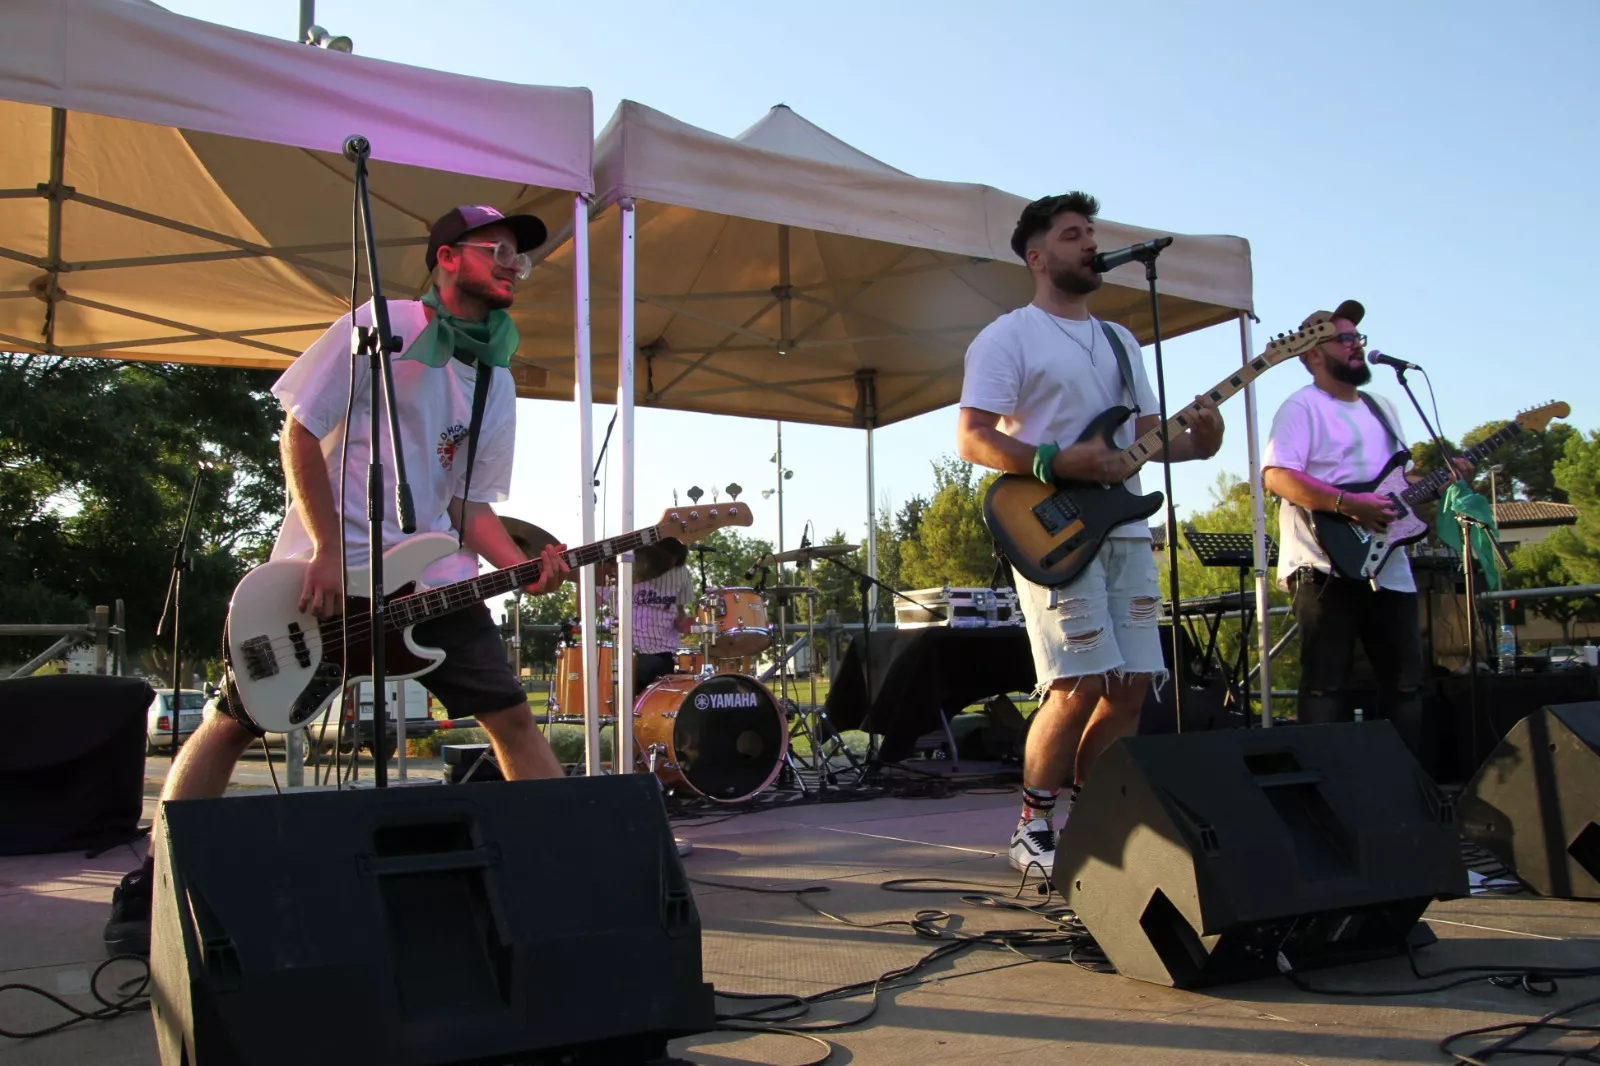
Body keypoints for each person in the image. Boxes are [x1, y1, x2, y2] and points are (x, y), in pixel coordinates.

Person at [104, 205, 571, 956]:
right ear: (447, 257)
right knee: (235, 719)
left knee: (514, 717)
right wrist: (323, 547)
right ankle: (160, 879)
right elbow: (297, 425)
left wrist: (516, 564)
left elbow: (467, 505)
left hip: (432, 581)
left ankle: (566, 875)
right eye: (498, 250)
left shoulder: (497, 376)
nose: (515, 263)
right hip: (331, 571)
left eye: (521, 256)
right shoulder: (379, 322)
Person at [955, 192, 1224, 874]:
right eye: (1074, 235)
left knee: (1132, 682)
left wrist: (1198, 445)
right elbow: (972, 437)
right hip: (1054, 527)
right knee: (1077, 683)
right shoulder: (1009, 335)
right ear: (1037, 257)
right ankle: (1031, 824)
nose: (1090, 244)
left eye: (1092, 233)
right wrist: (1050, 459)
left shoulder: (1120, 340)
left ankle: (1095, 817)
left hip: (1128, 529)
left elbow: (1135, 435)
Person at [1261, 300, 1471, 757]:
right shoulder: (1301, 407)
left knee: (1407, 684)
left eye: (1358, 338)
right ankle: (1323, 793)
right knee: (1324, 686)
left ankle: (1405, 790)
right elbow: (1277, 476)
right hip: (1322, 562)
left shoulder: (1383, 407)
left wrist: (1441, 479)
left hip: (1389, 565)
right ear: (1313, 354)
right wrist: (1348, 504)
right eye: (1345, 338)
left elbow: (1399, 483)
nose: (1356, 346)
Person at [601, 538, 696, 694]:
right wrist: (580, 580)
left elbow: (680, 616)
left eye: (673, 564)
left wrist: (687, 623)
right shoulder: (625, 568)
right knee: (649, 667)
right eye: (665, 563)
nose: (668, 568)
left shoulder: (682, 573)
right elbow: (589, 602)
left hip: (668, 650)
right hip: (631, 649)